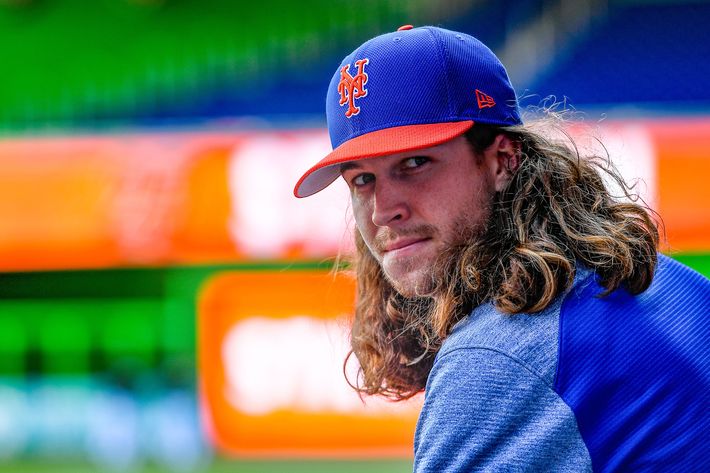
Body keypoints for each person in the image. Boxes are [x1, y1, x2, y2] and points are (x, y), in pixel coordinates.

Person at [294, 25, 710, 472]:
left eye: (414, 163)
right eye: (362, 179)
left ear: (502, 161)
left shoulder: (497, 361)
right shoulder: (671, 281)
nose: (382, 210)